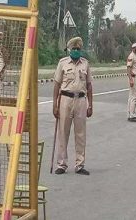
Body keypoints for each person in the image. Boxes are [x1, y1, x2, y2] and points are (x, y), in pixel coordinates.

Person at [53, 37, 93, 175]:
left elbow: (89, 85)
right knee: (63, 132)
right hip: (65, 99)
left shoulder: (85, 64)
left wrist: (90, 105)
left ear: (80, 50)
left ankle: (80, 164)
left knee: (80, 133)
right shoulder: (62, 63)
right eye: (73, 49)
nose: (76, 51)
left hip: (81, 100)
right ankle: (61, 164)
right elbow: (57, 84)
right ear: (70, 50)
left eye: (78, 49)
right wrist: (55, 105)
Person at [127, 43, 136, 122]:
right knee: (134, 97)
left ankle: (130, 113)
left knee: (131, 97)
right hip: (133, 78)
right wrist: (130, 79)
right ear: (133, 48)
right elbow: (128, 68)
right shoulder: (131, 56)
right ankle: (132, 115)